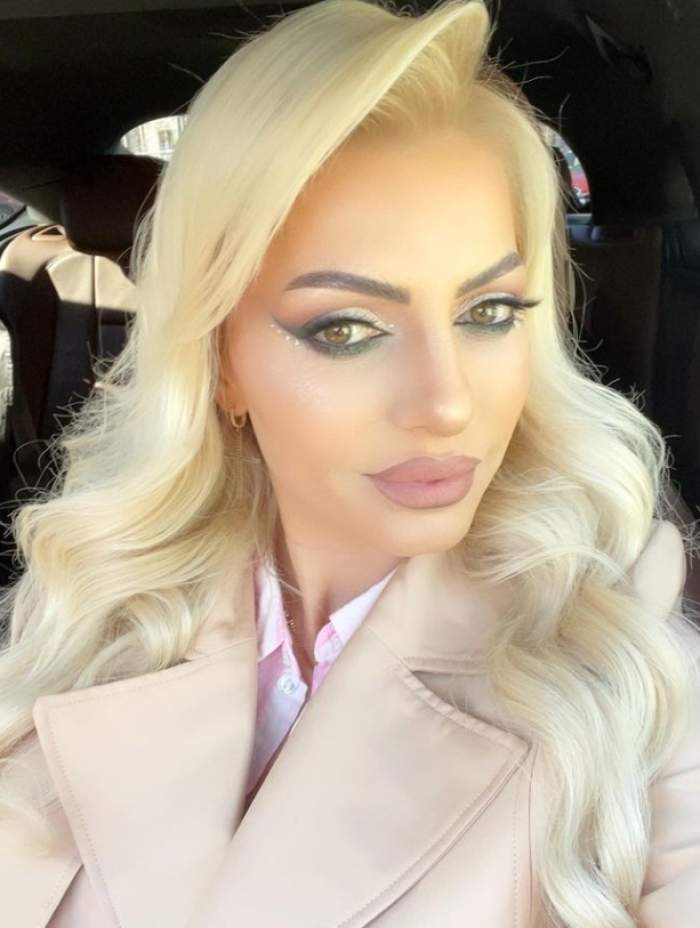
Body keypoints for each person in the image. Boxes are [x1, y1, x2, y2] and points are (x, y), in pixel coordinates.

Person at [0, 1, 698, 926]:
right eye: (347, 329)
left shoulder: (621, 650)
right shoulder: (94, 603)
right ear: (219, 363)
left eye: (488, 313)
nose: (446, 403)